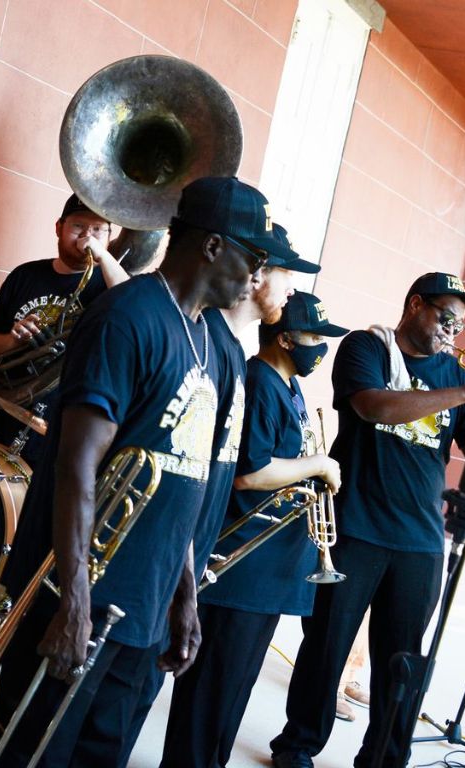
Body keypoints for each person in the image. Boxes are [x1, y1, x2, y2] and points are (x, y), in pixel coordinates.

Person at [0, 177, 291, 768]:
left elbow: (179, 482)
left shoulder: (209, 338)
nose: (256, 276)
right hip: (80, 599)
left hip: (143, 607)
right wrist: (74, 603)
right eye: (252, 257)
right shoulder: (127, 316)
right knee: (35, 755)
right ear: (210, 246)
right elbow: (76, 465)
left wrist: (184, 596)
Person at [270, 273, 465, 768]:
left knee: (403, 662)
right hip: (356, 523)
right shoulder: (367, 347)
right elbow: (372, 406)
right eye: (446, 317)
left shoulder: (454, 373)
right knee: (326, 644)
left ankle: (384, 758)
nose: (454, 330)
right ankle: (298, 746)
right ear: (415, 306)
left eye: (461, 324)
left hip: (421, 538)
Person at [161, 291, 349, 768]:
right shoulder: (260, 381)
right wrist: (319, 463)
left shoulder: (289, 385)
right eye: (314, 338)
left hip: (270, 574)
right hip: (243, 567)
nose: (321, 348)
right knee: (209, 697)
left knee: (231, 696)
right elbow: (250, 471)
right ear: (285, 339)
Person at [0, 194, 129, 461]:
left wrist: (103, 256)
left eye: (98, 229)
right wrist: (13, 340)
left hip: (68, 425)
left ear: (109, 236)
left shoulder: (108, 284)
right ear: (59, 227)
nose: (86, 238)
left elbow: (131, 302)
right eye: (78, 227)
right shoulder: (25, 275)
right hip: (12, 413)